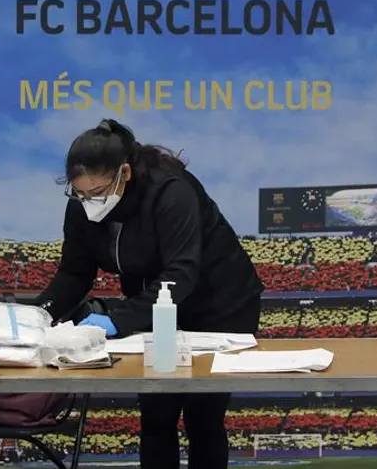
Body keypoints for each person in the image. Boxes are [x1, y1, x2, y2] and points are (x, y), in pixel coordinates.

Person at [35, 119, 264, 469]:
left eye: (96, 193)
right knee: (156, 416)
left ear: (124, 173)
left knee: (203, 418)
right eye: (78, 193)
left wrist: (116, 321)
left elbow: (181, 274)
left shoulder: (171, 191)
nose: (87, 202)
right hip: (152, 307)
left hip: (218, 305)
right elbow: (75, 272)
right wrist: (42, 313)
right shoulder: (81, 206)